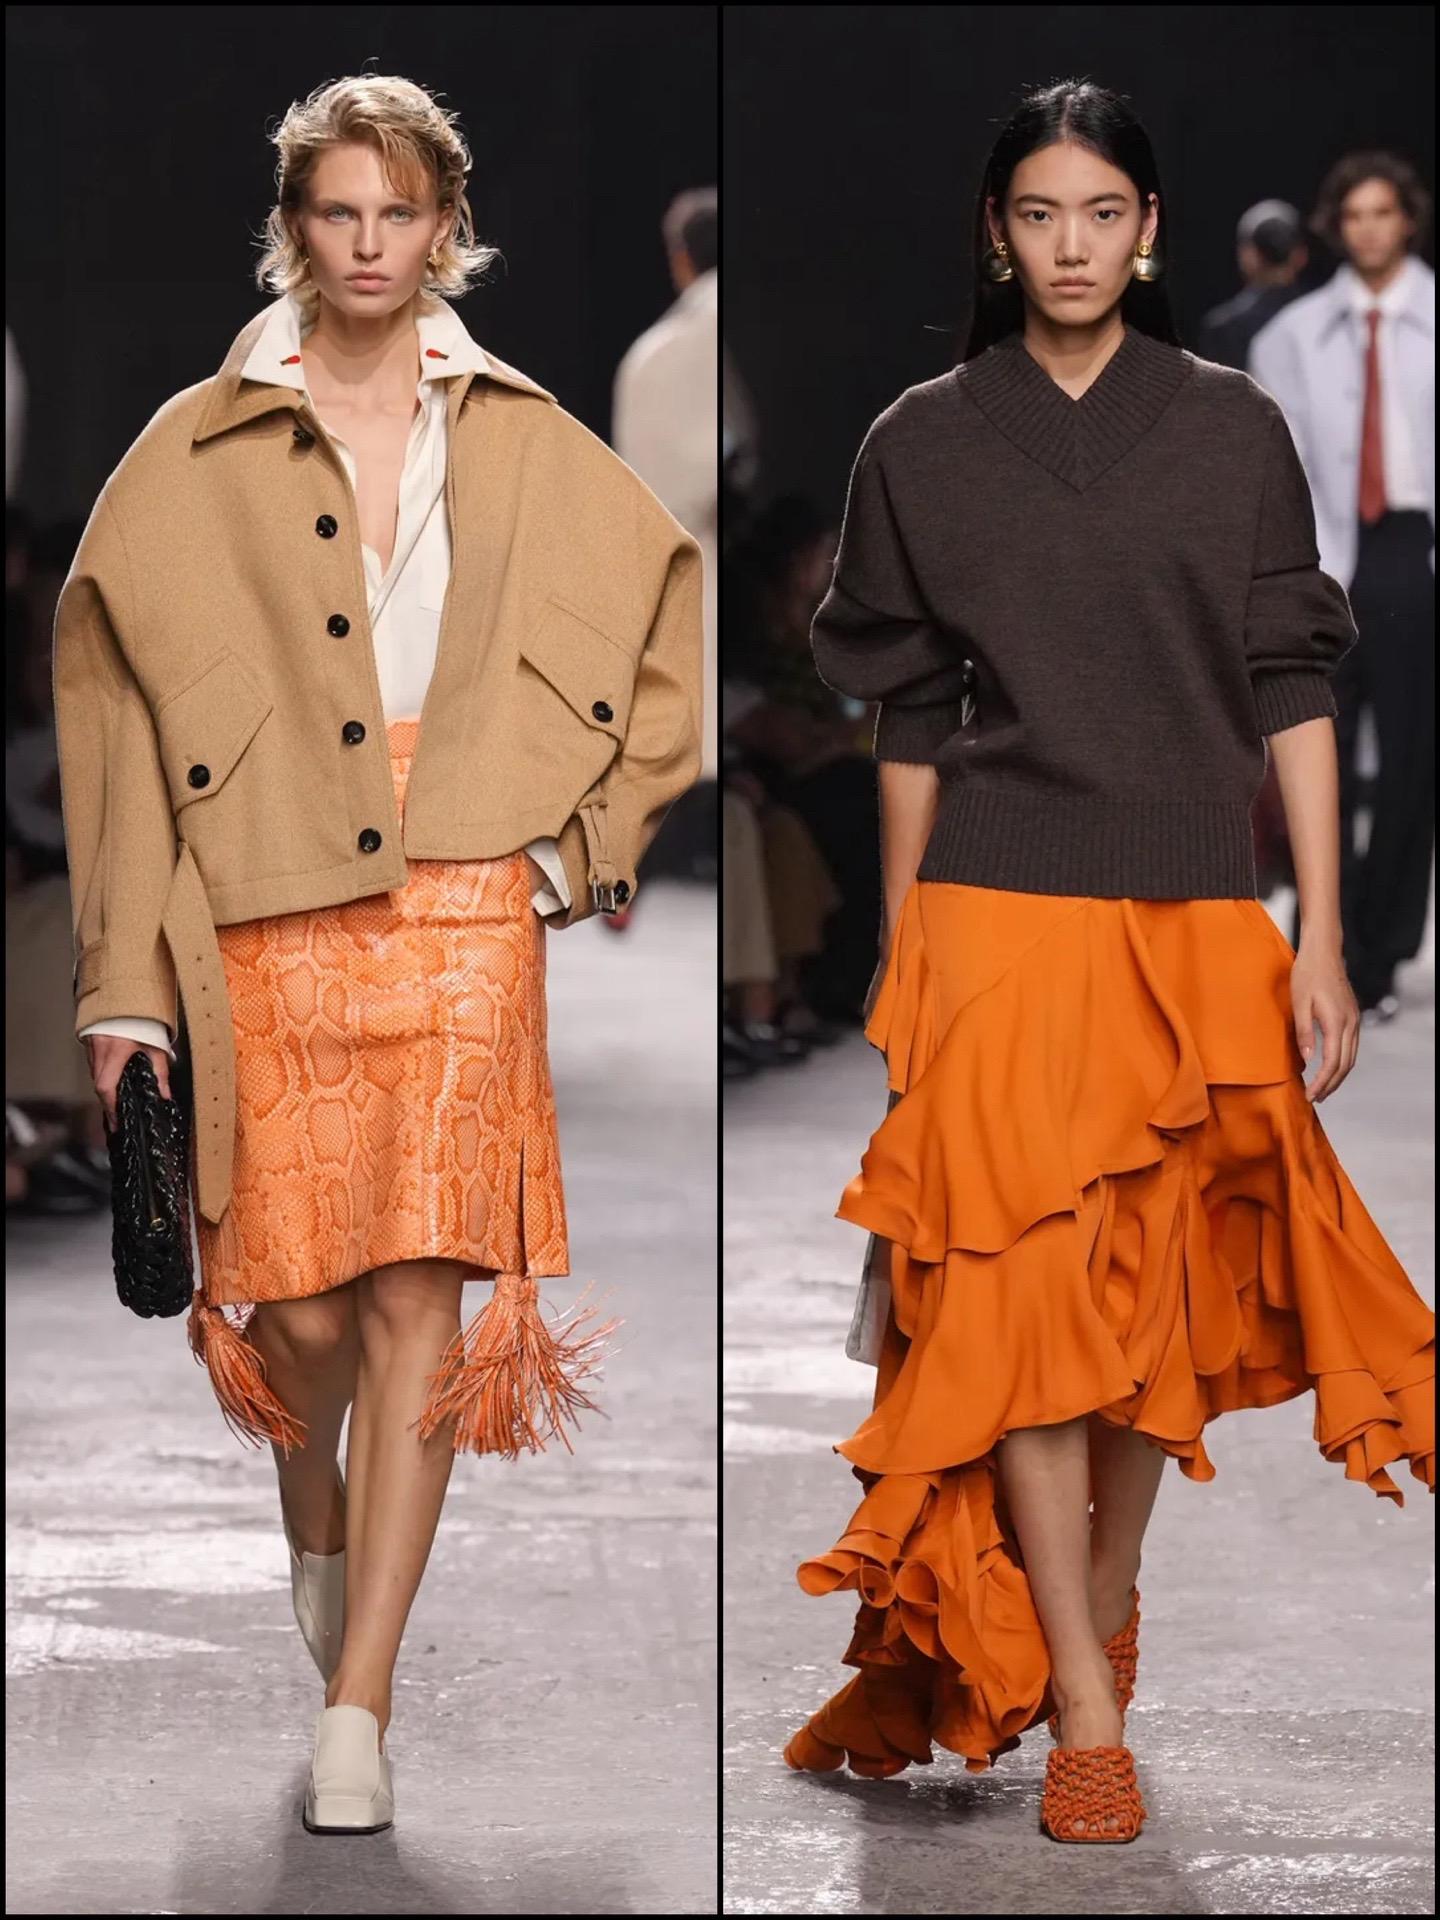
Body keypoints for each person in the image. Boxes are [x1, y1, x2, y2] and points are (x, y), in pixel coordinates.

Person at [781, 79, 1434, 1846]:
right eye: (1037, 214)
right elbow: (910, 714)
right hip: (997, 910)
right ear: (997, 236)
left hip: (1194, 916)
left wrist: (1322, 932)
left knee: (1160, 1305)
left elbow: (1293, 684)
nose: (1069, 245)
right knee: (1019, 1312)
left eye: (1101, 212)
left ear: (1148, 231)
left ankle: (1109, 1584)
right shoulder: (925, 438)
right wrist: (908, 950)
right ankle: (1082, 1694)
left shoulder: (1231, 429)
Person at [52, 72, 702, 1838]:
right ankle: (315, 1519)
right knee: (304, 1310)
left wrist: (578, 847)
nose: (367, 245)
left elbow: (676, 612)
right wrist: (124, 986)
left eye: (398, 213)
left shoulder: (521, 431)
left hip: (467, 898)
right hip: (262, 906)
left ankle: (364, 1702)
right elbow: (111, 712)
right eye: (337, 212)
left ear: (443, 225)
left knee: (421, 1297)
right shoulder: (192, 448)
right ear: (295, 225)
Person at [1249, 153, 1435, 1021]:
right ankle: (1334, 939)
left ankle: (1385, 951)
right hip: (1322, 554)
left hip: (1415, 550)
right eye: (1353, 214)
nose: (1368, 229)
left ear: (1408, 220)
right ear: (1335, 226)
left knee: (1408, 761)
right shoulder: (1289, 337)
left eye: (1382, 212)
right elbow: (1274, 468)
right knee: (1316, 754)